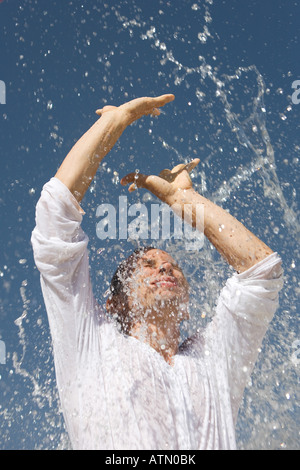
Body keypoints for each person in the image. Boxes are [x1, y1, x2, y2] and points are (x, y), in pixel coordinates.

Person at [31, 94, 283, 450]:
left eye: (172, 264)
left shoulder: (212, 359)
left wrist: (187, 203)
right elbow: (54, 220)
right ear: (115, 304)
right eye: (146, 265)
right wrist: (111, 125)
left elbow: (261, 272)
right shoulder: (92, 342)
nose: (165, 265)